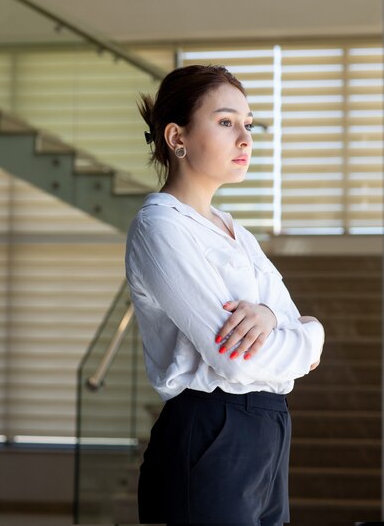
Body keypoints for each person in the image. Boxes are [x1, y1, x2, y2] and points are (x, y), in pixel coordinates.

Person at [125, 64, 324, 525]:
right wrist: (305, 334)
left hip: (270, 427)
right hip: (212, 428)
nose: (246, 139)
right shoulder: (160, 226)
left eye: (249, 125)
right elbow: (235, 359)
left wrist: (275, 322)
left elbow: (308, 337)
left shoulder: (238, 233)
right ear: (177, 137)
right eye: (226, 122)